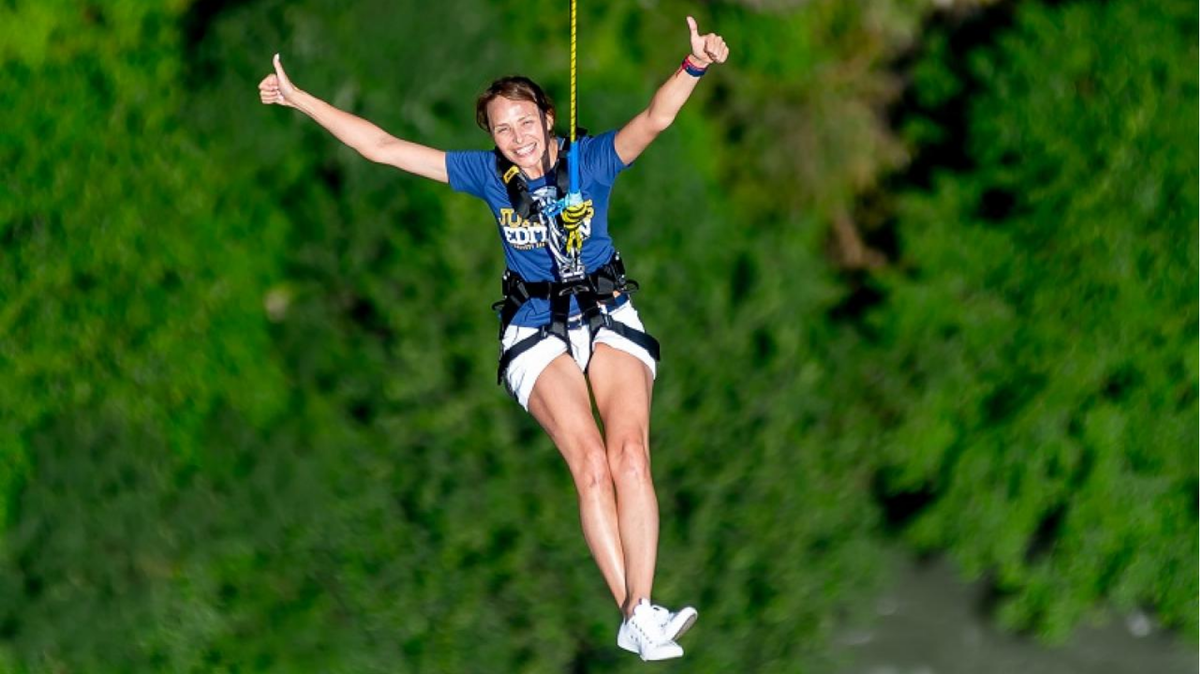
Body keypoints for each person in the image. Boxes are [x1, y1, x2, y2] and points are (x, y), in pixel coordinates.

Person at [259, 15, 728, 662]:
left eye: (525, 123)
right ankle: (638, 614)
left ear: (545, 116)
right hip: (534, 330)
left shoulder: (590, 162)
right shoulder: (486, 176)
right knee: (590, 466)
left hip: (608, 315)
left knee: (629, 457)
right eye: (503, 130)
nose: (517, 139)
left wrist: (695, 64)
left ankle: (638, 610)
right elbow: (384, 147)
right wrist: (300, 97)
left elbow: (654, 120)